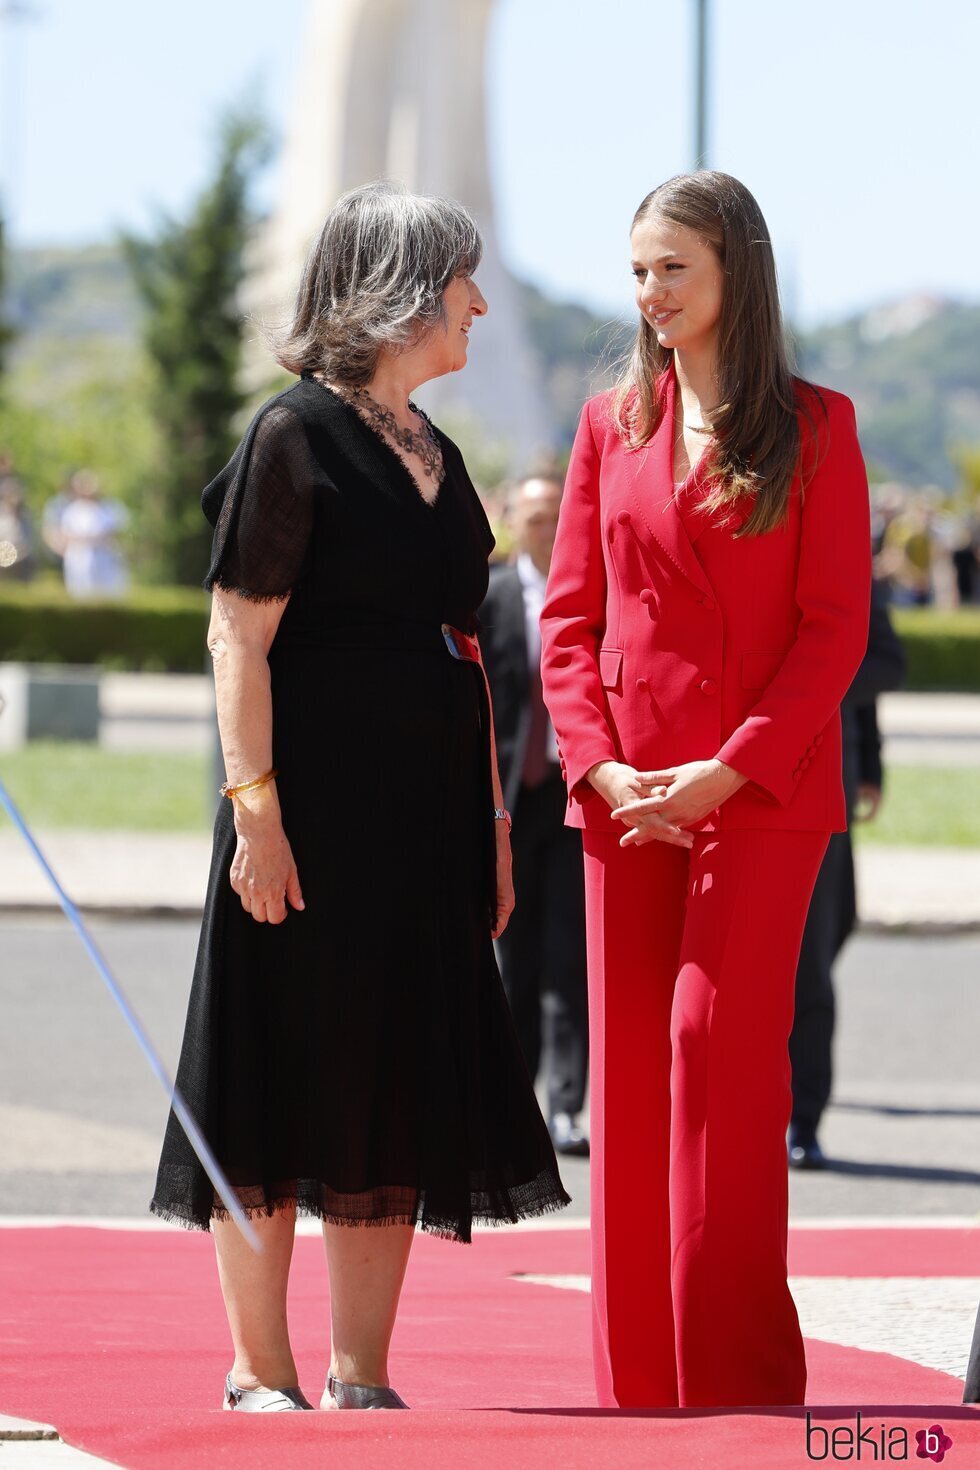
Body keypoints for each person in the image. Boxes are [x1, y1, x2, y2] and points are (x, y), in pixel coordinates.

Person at [150, 182, 570, 1413]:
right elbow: (236, 640)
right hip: (308, 811)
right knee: (276, 1064)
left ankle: (361, 1373)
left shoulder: (436, 450)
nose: (479, 303)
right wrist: (257, 815)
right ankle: (258, 1368)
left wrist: (491, 824)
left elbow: (465, 650)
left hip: (430, 817)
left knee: (390, 1072)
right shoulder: (292, 436)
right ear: (397, 291)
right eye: (460, 281)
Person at [540, 171, 871, 1409]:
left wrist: (727, 767)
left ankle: (731, 1368)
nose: (648, 291)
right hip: (623, 796)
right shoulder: (604, 423)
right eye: (636, 270)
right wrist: (599, 763)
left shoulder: (820, 426)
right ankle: (641, 1379)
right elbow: (568, 621)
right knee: (628, 1076)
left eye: (670, 266)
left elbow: (833, 629)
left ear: (735, 266)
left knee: (716, 1049)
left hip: (759, 790)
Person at [479, 474, 590, 1157]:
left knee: (569, 957)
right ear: (514, 521)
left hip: (577, 796)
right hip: (510, 802)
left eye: (555, 514)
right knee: (511, 958)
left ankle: (569, 1108)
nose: (545, 527)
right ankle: (508, 1105)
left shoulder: (589, 589)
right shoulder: (488, 597)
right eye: (534, 515)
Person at [788, 580, 905, 1168]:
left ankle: (803, 1122)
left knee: (812, 958)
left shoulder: (847, 565)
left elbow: (883, 663)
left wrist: (805, 685)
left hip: (823, 778)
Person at [58, 470, 129, 597]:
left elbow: (115, 533)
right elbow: (66, 535)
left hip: (104, 558)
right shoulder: (72, 510)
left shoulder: (109, 508)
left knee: (107, 594)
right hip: (79, 559)